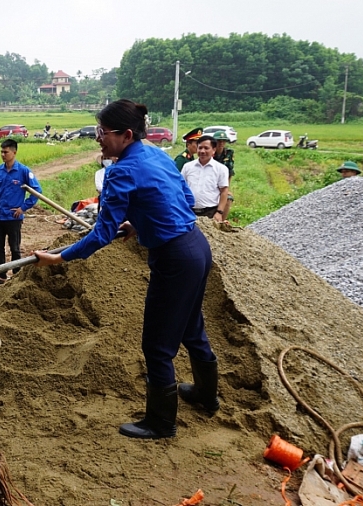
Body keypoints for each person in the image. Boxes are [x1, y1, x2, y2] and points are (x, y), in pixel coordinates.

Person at [35, 99, 219, 440]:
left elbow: (102, 233)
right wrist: (141, 220)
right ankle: (207, 396)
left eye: (103, 132)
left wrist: (60, 259)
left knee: (157, 346)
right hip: (196, 247)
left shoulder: (120, 172)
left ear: (127, 135)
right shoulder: (156, 155)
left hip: (174, 258)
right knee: (192, 326)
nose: (98, 138)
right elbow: (184, 198)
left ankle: (161, 423)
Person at [0, 139, 40, 286]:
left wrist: (23, 208)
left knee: (15, 248)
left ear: (14, 152)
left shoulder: (23, 171)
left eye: (6, 152)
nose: (3, 155)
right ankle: (1, 276)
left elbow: (37, 191)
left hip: (14, 217)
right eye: (1, 152)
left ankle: (17, 276)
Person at [182, 135, 230, 223]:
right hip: (189, 212)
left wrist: (219, 212)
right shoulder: (187, 167)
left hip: (210, 213)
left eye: (206, 148)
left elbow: (224, 191)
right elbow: (180, 187)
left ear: (213, 150)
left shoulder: (221, 169)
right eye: (200, 148)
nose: (202, 151)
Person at [211, 131, 236, 220]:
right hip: (210, 183)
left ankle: (222, 221)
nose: (221, 143)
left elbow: (230, 172)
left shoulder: (229, 153)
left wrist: (226, 189)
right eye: (219, 141)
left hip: (222, 183)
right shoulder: (209, 152)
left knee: (228, 198)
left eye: (223, 141)